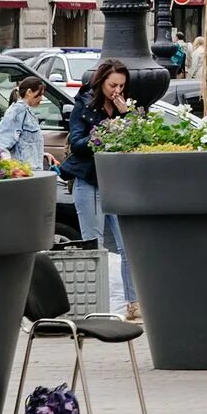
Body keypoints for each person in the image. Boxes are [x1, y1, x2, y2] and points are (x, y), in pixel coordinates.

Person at [64, 58, 139, 322]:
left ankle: (133, 303)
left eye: (121, 85)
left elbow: (137, 138)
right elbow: (77, 142)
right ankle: (96, 305)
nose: (117, 90)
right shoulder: (83, 105)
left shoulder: (123, 107)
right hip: (89, 180)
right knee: (94, 246)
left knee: (128, 245)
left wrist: (127, 115)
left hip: (117, 183)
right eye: (112, 85)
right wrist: (107, 130)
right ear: (101, 81)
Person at [0, 74, 48, 170]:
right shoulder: (18, 111)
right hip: (23, 173)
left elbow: (23, 143)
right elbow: (1, 143)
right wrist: (11, 169)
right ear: (29, 92)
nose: (41, 98)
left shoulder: (26, 112)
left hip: (30, 172)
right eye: (40, 94)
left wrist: (44, 155)